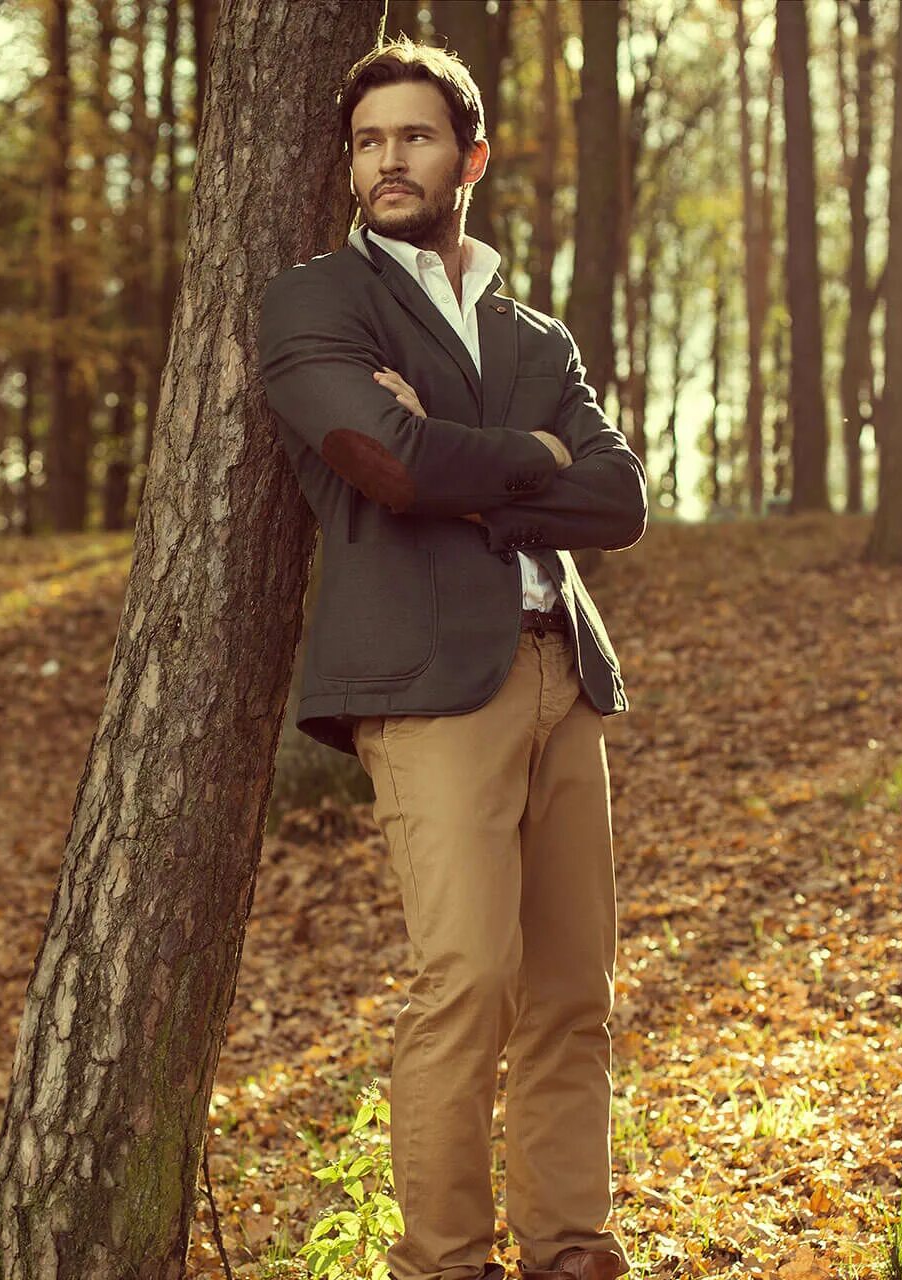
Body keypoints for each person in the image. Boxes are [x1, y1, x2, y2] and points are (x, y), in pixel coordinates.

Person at [255, 35, 645, 1280]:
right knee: (467, 980)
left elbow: (621, 500)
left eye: (413, 136)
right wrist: (531, 458)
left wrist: (477, 462)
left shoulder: (534, 332)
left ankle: (571, 1250)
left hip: (563, 675)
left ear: (469, 156)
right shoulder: (316, 302)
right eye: (368, 141)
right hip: (426, 688)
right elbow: (389, 462)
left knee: (573, 993)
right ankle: (444, 1264)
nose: (387, 160)